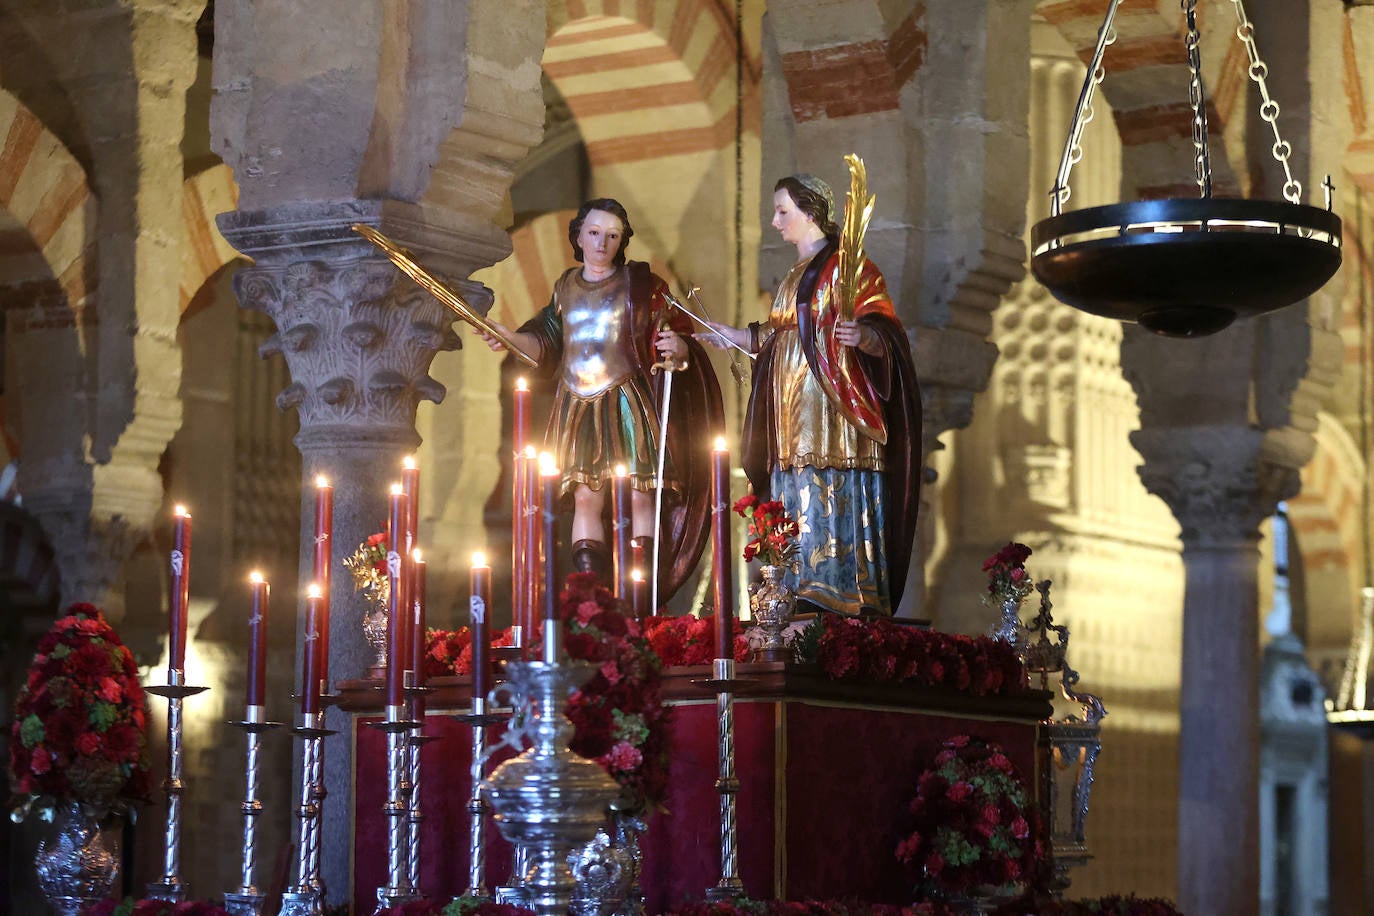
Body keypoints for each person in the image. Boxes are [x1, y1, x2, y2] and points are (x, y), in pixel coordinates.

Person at [479, 199, 723, 603]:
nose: (602, 242)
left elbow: (676, 333)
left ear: (623, 240)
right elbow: (543, 341)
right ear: (578, 235)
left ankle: (641, 596)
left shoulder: (641, 286)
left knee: (641, 493)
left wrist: (677, 347)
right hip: (578, 404)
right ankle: (591, 594)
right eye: (594, 233)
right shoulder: (565, 287)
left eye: (612, 235)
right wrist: (507, 337)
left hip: (628, 401)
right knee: (586, 498)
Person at [699, 174, 922, 615]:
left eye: (783, 211)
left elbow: (884, 328)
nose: (775, 220)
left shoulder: (849, 266)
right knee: (792, 488)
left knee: (832, 483)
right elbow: (781, 334)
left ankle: (837, 591)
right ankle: (795, 586)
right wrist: (734, 335)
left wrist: (866, 335)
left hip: (833, 407)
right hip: (789, 407)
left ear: (811, 212)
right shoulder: (792, 275)